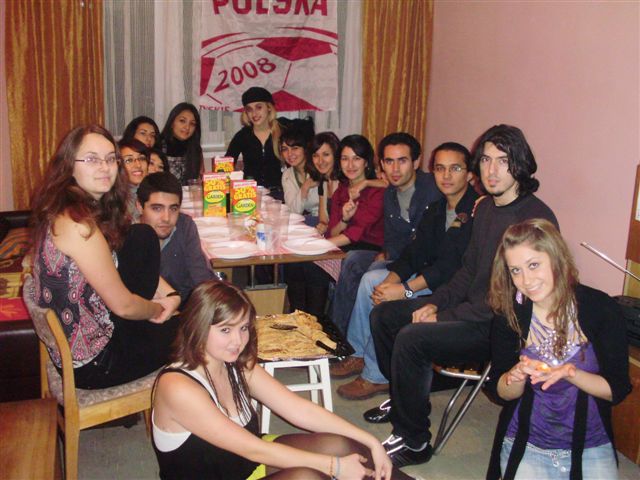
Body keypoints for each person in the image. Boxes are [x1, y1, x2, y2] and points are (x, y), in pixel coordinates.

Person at [369, 124, 559, 468]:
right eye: (485, 160)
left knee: (412, 337)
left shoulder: (533, 219)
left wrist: (443, 316)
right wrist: (435, 302)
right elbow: (468, 271)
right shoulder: (485, 209)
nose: (491, 170)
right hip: (470, 311)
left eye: (503, 161)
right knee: (385, 315)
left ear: (520, 164)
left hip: (502, 327)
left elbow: (510, 302)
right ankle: (406, 401)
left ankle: (414, 441)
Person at [152, 280, 412, 480]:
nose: (237, 341)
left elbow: (300, 409)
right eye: (225, 330)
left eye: (244, 328)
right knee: (308, 477)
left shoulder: (234, 363)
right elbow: (253, 449)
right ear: (197, 326)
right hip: (240, 462)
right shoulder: (177, 387)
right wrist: (335, 467)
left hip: (247, 466)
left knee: (342, 444)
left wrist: (371, 441)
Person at [30, 125, 180, 389]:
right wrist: (159, 310)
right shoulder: (79, 226)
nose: (105, 167)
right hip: (97, 363)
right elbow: (124, 307)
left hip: (87, 333)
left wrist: (170, 295)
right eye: (92, 159)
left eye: (111, 159)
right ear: (69, 165)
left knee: (140, 236)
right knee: (193, 329)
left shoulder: (66, 208)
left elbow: (120, 260)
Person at [486, 219, 631, 480]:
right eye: (515, 270)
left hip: (591, 443)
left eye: (533, 265)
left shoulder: (601, 309)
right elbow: (500, 392)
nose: (526, 280)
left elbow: (617, 389)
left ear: (556, 258)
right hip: (526, 441)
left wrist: (572, 374)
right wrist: (515, 376)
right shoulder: (510, 316)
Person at [334, 142, 478, 400]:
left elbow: (448, 269)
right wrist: (389, 282)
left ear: (469, 174)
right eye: (440, 168)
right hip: (429, 276)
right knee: (372, 281)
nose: (446, 176)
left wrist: (405, 290)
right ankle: (358, 354)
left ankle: (375, 376)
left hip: (452, 289)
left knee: (385, 295)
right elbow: (415, 253)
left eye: (455, 169)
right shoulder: (438, 208)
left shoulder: (476, 211)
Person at [329, 133, 440, 338]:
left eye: (402, 161)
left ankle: (345, 340)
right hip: (403, 262)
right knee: (371, 277)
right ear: (382, 164)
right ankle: (342, 339)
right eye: (389, 161)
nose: (395, 169)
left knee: (366, 273)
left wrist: (401, 287)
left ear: (416, 162)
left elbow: (439, 261)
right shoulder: (389, 194)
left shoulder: (434, 189)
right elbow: (396, 244)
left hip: (430, 273)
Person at [284, 135, 385, 320]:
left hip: (367, 247)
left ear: (366, 162)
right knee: (295, 263)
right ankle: (298, 321)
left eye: (356, 159)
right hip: (344, 243)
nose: (350, 165)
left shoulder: (376, 192)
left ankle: (322, 323)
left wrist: (316, 247)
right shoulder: (343, 189)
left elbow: (355, 235)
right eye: (345, 159)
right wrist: (345, 220)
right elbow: (334, 230)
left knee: (314, 263)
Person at [137, 172, 216, 309]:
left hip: (185, 309)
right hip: (143, 311)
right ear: (139, 206)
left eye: (173, 209)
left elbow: (201, 279)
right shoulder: (127, 236)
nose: (166, 218)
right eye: (157, 208)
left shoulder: (184, 226)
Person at [226, 87, 286, 199]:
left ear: (269, 108)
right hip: (248, 195)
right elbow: (226, 166)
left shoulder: (282, 132)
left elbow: (295, 164)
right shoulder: (242, 136)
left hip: (278, 195)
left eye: (259, 107)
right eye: (249, 109)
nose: (254, 113)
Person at [279, 118, 319, 219]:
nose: (289, 154)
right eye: (285, 149)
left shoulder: (319, 168)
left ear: (306, 148)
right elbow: (293, 212)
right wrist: (305, 187)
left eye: (295, 148)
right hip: (305, 221)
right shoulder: (287, 175)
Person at [160, 103, 204, 185]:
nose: (187, 127)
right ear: (172, 122)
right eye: (182, 121)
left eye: (192, 124)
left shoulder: (196, 149)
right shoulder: (158, 146)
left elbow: (199, 181)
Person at [307, 132, 341, 235]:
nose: (320, 161)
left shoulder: (344, 182)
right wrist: (323, 226)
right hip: (332, 234)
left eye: (326, 154)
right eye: (316, 156)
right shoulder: (324, 181)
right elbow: (323, 219)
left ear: (336, 155)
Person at [119, 138, 149, 221]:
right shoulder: (112, 199)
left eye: (142, 158)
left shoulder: (152, 193)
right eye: (129, 160)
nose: (138, 165)